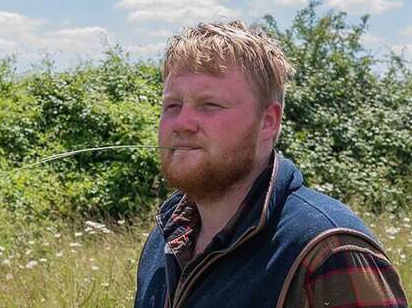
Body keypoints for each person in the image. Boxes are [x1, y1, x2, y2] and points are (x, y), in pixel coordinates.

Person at [134, 21, 407, 308]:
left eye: (209, 105)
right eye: (172, 105)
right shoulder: (165, 238)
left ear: (268, 121)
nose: (182, 123)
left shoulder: (326, 251)